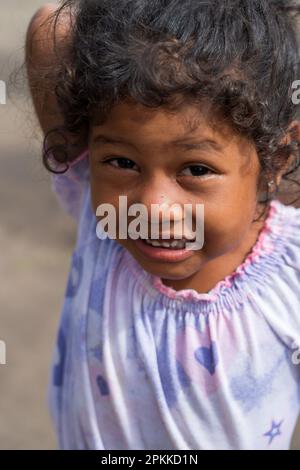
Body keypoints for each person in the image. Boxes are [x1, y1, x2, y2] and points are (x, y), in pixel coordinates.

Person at [26, 0, 300, 450]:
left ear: (276, 159)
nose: (152, 207)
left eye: (195, 169)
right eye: (122, 162)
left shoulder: (291, 275)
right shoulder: (101, 225)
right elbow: (52, 28)